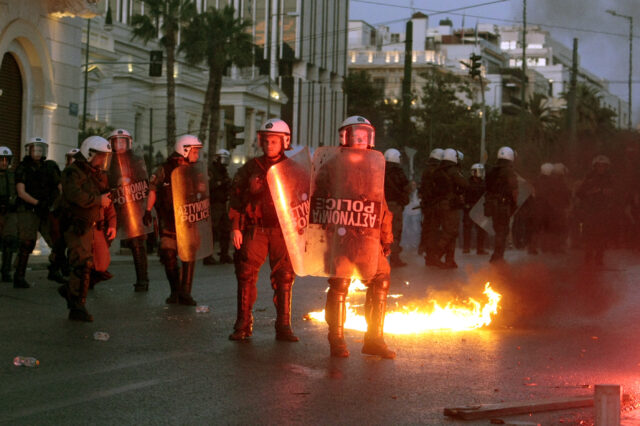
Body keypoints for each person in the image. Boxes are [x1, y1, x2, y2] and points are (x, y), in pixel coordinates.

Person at [321, 116, 395, 359]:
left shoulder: (375, 165)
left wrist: (386, 238)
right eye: (356, 135)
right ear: (346, 137)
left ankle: (374, 339)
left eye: (365, 135)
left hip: (369, 236)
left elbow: (379, 204)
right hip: (342, 235)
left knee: (381, 279)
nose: (361, 140)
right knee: (340, 284)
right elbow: (318, 199)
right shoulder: (332, 165)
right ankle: (337, 339)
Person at [227, 118, 298, 342]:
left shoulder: (293, 169)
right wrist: (236, 228)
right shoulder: (250, 168)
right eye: (266, 140)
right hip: (255, 229)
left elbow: (302, 201)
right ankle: (243, 324)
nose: (269, 145)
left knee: (285, 276)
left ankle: (284, 325)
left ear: (285, 141)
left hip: (282, 229)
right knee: (246, 274)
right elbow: (236, 199)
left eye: (274, 141)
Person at [57, 136, 113, 322]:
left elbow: (107, 199)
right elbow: (75, 195)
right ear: (90, 153)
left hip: (94, 224)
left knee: (97, 264)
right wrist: (98, 200)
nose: (103, 161)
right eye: (101, 156)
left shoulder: (98, 174)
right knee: (82, 263)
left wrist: (110, 221)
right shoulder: (73, 171)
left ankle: (71, 292)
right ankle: (77, 306)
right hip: (77, 224)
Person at [144, 135, 204, 306]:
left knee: (188, 254)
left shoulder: (196, 171)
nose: (197, 155)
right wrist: (148, 210)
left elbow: (203, 193)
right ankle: (175, 291)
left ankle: (186, 292)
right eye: (194, 151)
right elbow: (153, 190)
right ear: (184, 150)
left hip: (189, 219)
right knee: (168, 254)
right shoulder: (164, 169)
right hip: (169, 219)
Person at [14, 137, 63, 288]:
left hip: (46, 209)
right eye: (35, 149)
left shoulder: (49, 167)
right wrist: (38, 203)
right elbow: (21, 192)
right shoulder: (23, 168)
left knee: (57, 241)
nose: (38, 152)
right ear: (29, 150)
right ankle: (19, 276)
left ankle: (54, 270)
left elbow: (59, 186)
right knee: (27, 242)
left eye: (40, 149)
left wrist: (55, 203)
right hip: (30, 209)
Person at [107, 129, 151, 292]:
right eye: (116, 141)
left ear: (128, 143)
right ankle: (91, 275)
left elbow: (144, 182)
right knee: (103, 239)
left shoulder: (136, 160)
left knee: (137, 242)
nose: (119, 145)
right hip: (113, 205)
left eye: (122, 141)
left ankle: (143, 279)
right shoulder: (107, 160)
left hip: (132, 206)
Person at [427, 148, 468, 268]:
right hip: (450, 205)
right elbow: (465, 184)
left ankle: (450, 260)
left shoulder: (438, 171)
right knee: (451, 231)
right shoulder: (453, 171)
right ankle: (436, 254)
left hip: (439, 205)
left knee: (449, 231)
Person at [576, 155, 614, 266]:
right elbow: (579, 193)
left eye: (603, 166)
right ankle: (588, 255)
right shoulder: (589, 177)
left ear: (607, 167)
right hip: (590, 210)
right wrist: (590, 192)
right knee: (589, 233)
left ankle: (599, 257)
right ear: (595, 166)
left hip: (604, 210)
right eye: (599, 166)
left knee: (602, 234)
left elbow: (617, 193)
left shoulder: (610, 178)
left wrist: (610, 193)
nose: (601, 168)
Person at [485, 146, 518, 264]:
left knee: (498, 230)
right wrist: (514, 205)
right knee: (502, 231)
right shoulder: (509, 171)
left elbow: (487, 188)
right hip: (503, 205)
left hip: (492, 205)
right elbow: (514, 190)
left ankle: (497, 255)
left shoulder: (491, 171)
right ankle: (497, 257)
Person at [203, 148, 233, 265]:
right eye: (223, 159)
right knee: (212, 231)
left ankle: (224, 254)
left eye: (226, 160)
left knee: (225, 229)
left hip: (222, 204)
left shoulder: (223, 171)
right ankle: (207, 256)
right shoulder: (211, 171)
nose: (225, 162)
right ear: (217, 158)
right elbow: (208, 186)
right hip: (214, 204)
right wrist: (220, 183)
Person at [383, 148, 410, 267]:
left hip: (381, 205)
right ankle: (394, 258)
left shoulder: (379, 170)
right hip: (394, 206)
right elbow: (406, 187)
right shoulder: (398, 173)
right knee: (394, 231)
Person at [418, 148, 443, 259]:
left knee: (427, 229)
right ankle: (431, 255)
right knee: (433, 230)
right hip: (433, 205)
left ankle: (425, 249)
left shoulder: (426, 171)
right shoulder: (437, 172)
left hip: (426, 205)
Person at [0, 147, 18, 282]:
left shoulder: (13, 175)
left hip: (8, 213)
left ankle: (6, 271)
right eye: (1, 160)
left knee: (9, 241)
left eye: (7, 160)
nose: (4, 162)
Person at [462, 163, 487, 255]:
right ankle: (466, 248)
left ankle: (480, 248)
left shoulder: (484, 183)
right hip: (469, 208)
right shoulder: (467, 183)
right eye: (478, 171)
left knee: (481, 229)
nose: (480, 173)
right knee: (467, 228)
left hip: (480, 209)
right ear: (473, 172)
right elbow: (463, 195)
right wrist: (465, 205)